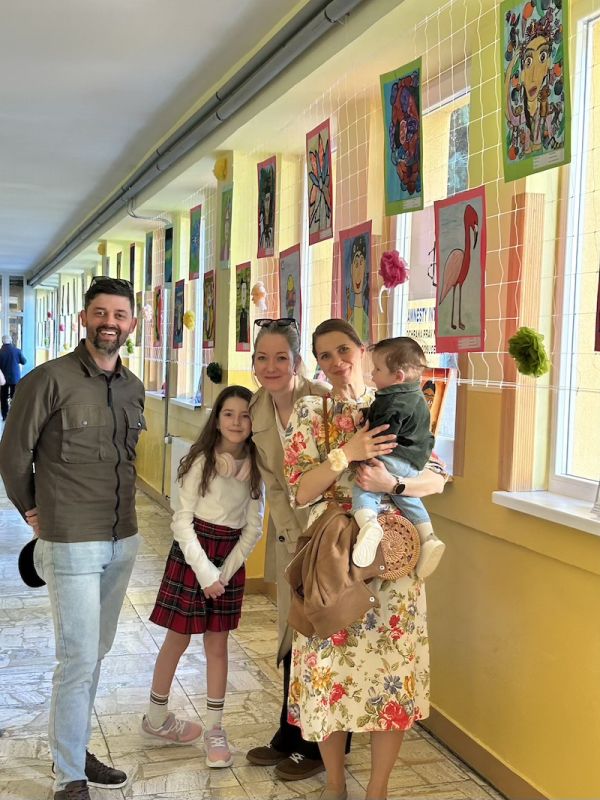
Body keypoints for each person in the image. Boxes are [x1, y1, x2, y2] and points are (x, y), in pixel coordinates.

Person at [282, 318, 446, 800]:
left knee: (391, 677)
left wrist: (392, 484)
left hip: (395, 558)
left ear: (363, 350)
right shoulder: (310, 411)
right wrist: (345, 454)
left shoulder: (405, 399)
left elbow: (436, 476)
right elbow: (300, 492)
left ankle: (378, 790)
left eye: (344, 350)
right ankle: (335, 784)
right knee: (328, 674)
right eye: (324, 355)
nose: (336, 362)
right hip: (334, 559)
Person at [0, 277, 145, 800]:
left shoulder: (132, 387)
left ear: (132, 323)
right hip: (70, 541)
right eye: (100, 312)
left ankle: (74, 745)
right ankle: (69, 776)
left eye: (120, 315)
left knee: (96, 653)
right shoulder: (48, 379)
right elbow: (13, 454)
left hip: (123, 536)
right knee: (78, 657)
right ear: (84, 318)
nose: (110, 323)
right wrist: (32, 510)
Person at [143, 385, 264, 769]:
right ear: (217, 418)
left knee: (217, 645)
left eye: (245, 415)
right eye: (229, 414)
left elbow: (253, 528)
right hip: (193, 555)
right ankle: (156, 718)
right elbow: (181, 521)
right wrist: (205, 571)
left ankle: (215, 729)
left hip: (227, 561)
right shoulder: (200, 461)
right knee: (177, 638)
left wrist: (222, 574)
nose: (237, 422)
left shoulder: (256, 468)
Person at [245, 317, 332, 781]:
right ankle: (289, 730)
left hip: (329, 537)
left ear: (297, 361)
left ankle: (320, 745)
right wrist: (292, 532)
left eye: (282, 357)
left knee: (322, 635)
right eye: (263, 358)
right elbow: (274, 484)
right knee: (291, 634)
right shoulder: (256, 408)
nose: (271, 366)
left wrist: (313, 532)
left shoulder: (323, 400)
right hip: (289, 537)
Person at [351, 336, 446, 579]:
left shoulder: (391, 400)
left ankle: (368, 523)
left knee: (365, 483)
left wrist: (363, 426)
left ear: (398, 376)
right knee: (407, 498)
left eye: (377, 369)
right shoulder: (417, 396)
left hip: (394, 457)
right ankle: (428, 537)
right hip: (414, 462)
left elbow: (380, 432)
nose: (372, 374)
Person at [0, 333, 26, 420]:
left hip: (3, 379)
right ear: (10, 341)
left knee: (3, 397)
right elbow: (24, 361)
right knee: (14, 396)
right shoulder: (17, 351)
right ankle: (14, 415)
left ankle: (4, 415)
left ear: (2, 342)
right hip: (15, 378)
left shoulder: (0, 352)